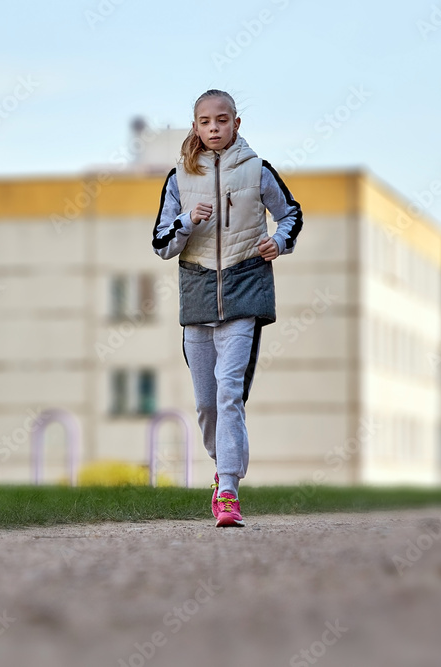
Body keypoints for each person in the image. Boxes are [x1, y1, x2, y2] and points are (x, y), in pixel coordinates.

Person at [151, 89, 303, 527]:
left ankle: (229, 491)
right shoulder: (178, 177)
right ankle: (224, 467)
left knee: (229, 391)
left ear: (237, 124)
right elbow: (161, 244)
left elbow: (291, 213)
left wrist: (278, 242)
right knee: (206, 404)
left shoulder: (258, 170)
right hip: (197, 294)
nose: (214, 128)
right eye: (205, 121)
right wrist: (186, 221)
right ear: (195, 127)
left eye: (222, 120)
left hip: (245, 288)